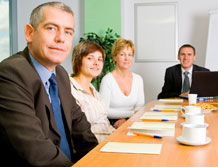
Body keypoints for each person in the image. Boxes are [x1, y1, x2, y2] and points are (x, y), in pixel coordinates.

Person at [0, 2, 98, 166]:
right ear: (29, 33)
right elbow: (34, 148)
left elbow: (80, 127)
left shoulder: (60, 74)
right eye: (51, 28)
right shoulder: (10, 73)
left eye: (68, 32)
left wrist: (98, 161)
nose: (61, 38)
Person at [69, 41, 115, 143]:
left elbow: (105, 125)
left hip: (110, 140)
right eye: (90, 58)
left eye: (100, 59)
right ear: (78, 60)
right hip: (92, 147)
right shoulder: (70, 90)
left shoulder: (95, 92)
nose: (96, 63)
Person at [99, 38, 145, 129]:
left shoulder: (138, 79)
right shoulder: (107, 80)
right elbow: (104, 111)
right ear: (115, 57)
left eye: (130, 55)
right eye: (122, 54)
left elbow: (140, 107)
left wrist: (127, 119)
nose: (127, 58)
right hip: (111, 124)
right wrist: (130, 114)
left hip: (133, 121)